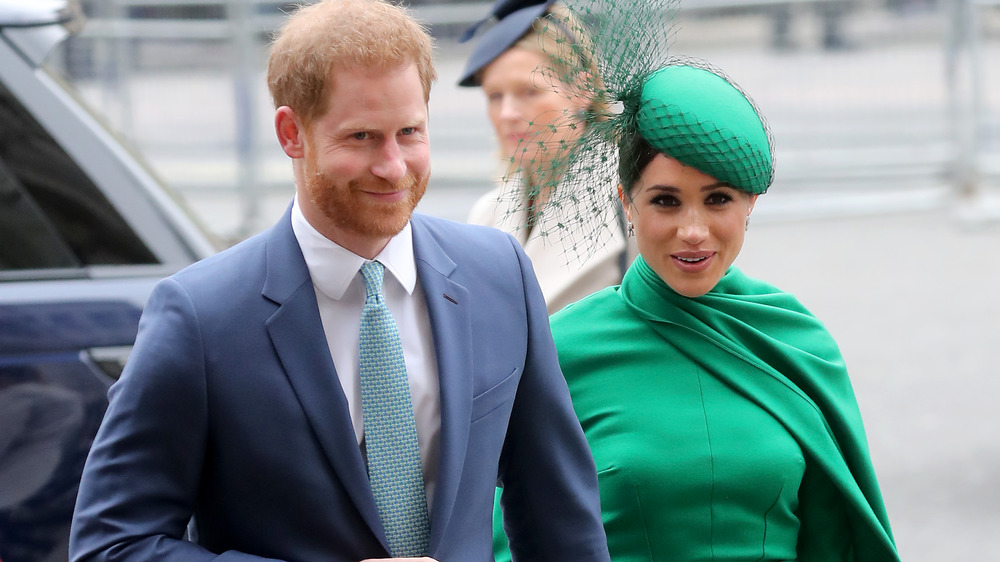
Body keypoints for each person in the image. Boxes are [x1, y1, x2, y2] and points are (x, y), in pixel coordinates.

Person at [68, 1, 610, 560]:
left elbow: (559, 519)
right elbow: (111, 545)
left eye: (410, 132)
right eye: (362, 138)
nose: (394, 166)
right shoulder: (200, 317)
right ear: (290, 133)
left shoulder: (498, 272)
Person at [491, 0, 899, 557]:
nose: (693, 230)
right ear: (626, 203)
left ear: (750, 203)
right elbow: (510, 536)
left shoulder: (797, 341)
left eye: (718, 200)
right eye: (665, 201)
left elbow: (839, 538)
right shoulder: (560, 352)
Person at [458, 0, 635, 313]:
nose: (508, 113)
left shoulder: (634, 200)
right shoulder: (486, 215)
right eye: (494, 96)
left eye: (529, 91)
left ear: (583, 89)